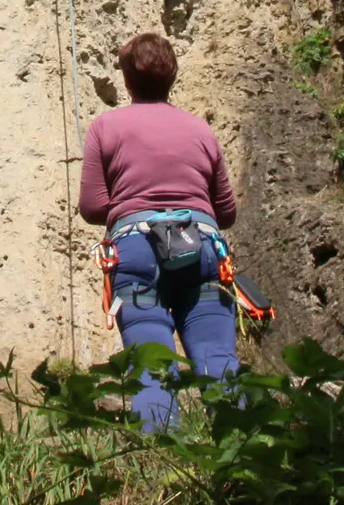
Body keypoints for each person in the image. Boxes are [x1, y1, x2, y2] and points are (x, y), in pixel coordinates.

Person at [78, 33, 240, 432]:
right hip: (202, 248)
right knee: (217, 357)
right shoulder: (200, 130)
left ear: (127, 79)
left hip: (137, 249)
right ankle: (241, 447)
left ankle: (160, 447)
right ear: (172, 77)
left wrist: (133, 204)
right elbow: (226, 212)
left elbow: (92, 206)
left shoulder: (106, 126)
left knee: (150, 362)